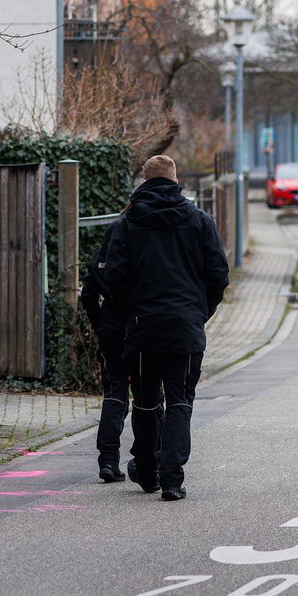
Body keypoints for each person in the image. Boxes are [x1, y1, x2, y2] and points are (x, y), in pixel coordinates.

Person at [103, 154, 230, 501]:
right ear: (176, 181)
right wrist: (199, 313)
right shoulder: (199, 221)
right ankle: (172, 479)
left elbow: (114, 278)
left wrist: (131, 314)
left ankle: (147, 471)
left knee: (144, 402)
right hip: (185, 328)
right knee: (179, 402)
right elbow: (218, 275)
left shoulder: (127, 224)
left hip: (143, 328)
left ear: (143, 182)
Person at [79, 217, 132, 483]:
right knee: (149, 395)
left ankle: (108, 460)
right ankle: (149, 457)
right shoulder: (136, 253)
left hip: (110, 332)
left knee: (115, 394)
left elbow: (87, 296)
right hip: (138, 329)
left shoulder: (100, 255)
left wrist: (100, 324)